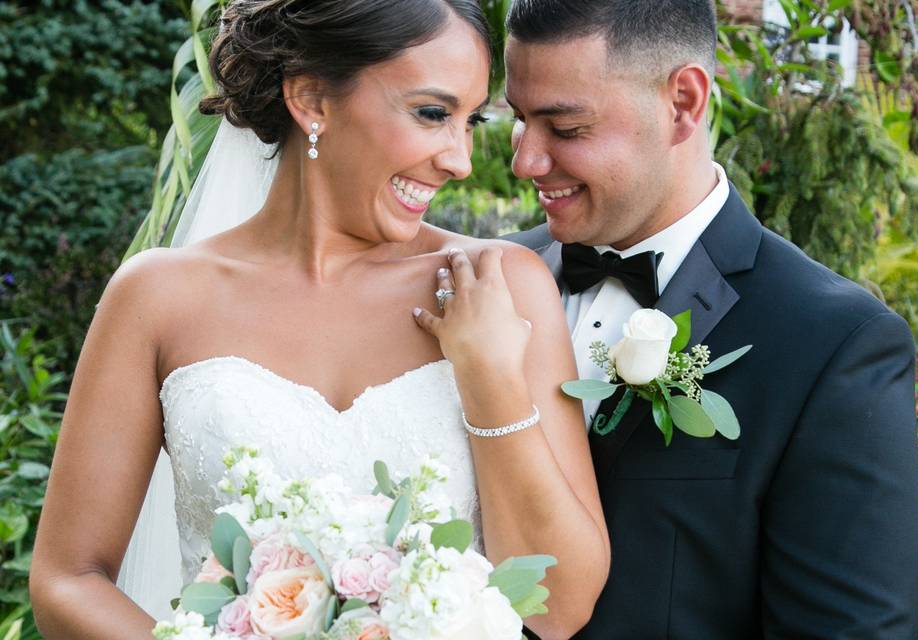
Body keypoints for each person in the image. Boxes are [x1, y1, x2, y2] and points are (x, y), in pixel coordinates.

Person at [28, 2, 610, 638]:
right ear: (311, 99)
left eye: (472, 122)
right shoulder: (156, 298)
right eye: (432, 114)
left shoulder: (499, 287)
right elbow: (67, 579)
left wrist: (490, 377)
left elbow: (561, 607)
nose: (460, 160)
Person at [503, 1, 918, 638]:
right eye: (518, 119)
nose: (525, 161)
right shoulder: (489, 281)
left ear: (683, 103)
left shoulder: (833, 345)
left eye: (564, 128)